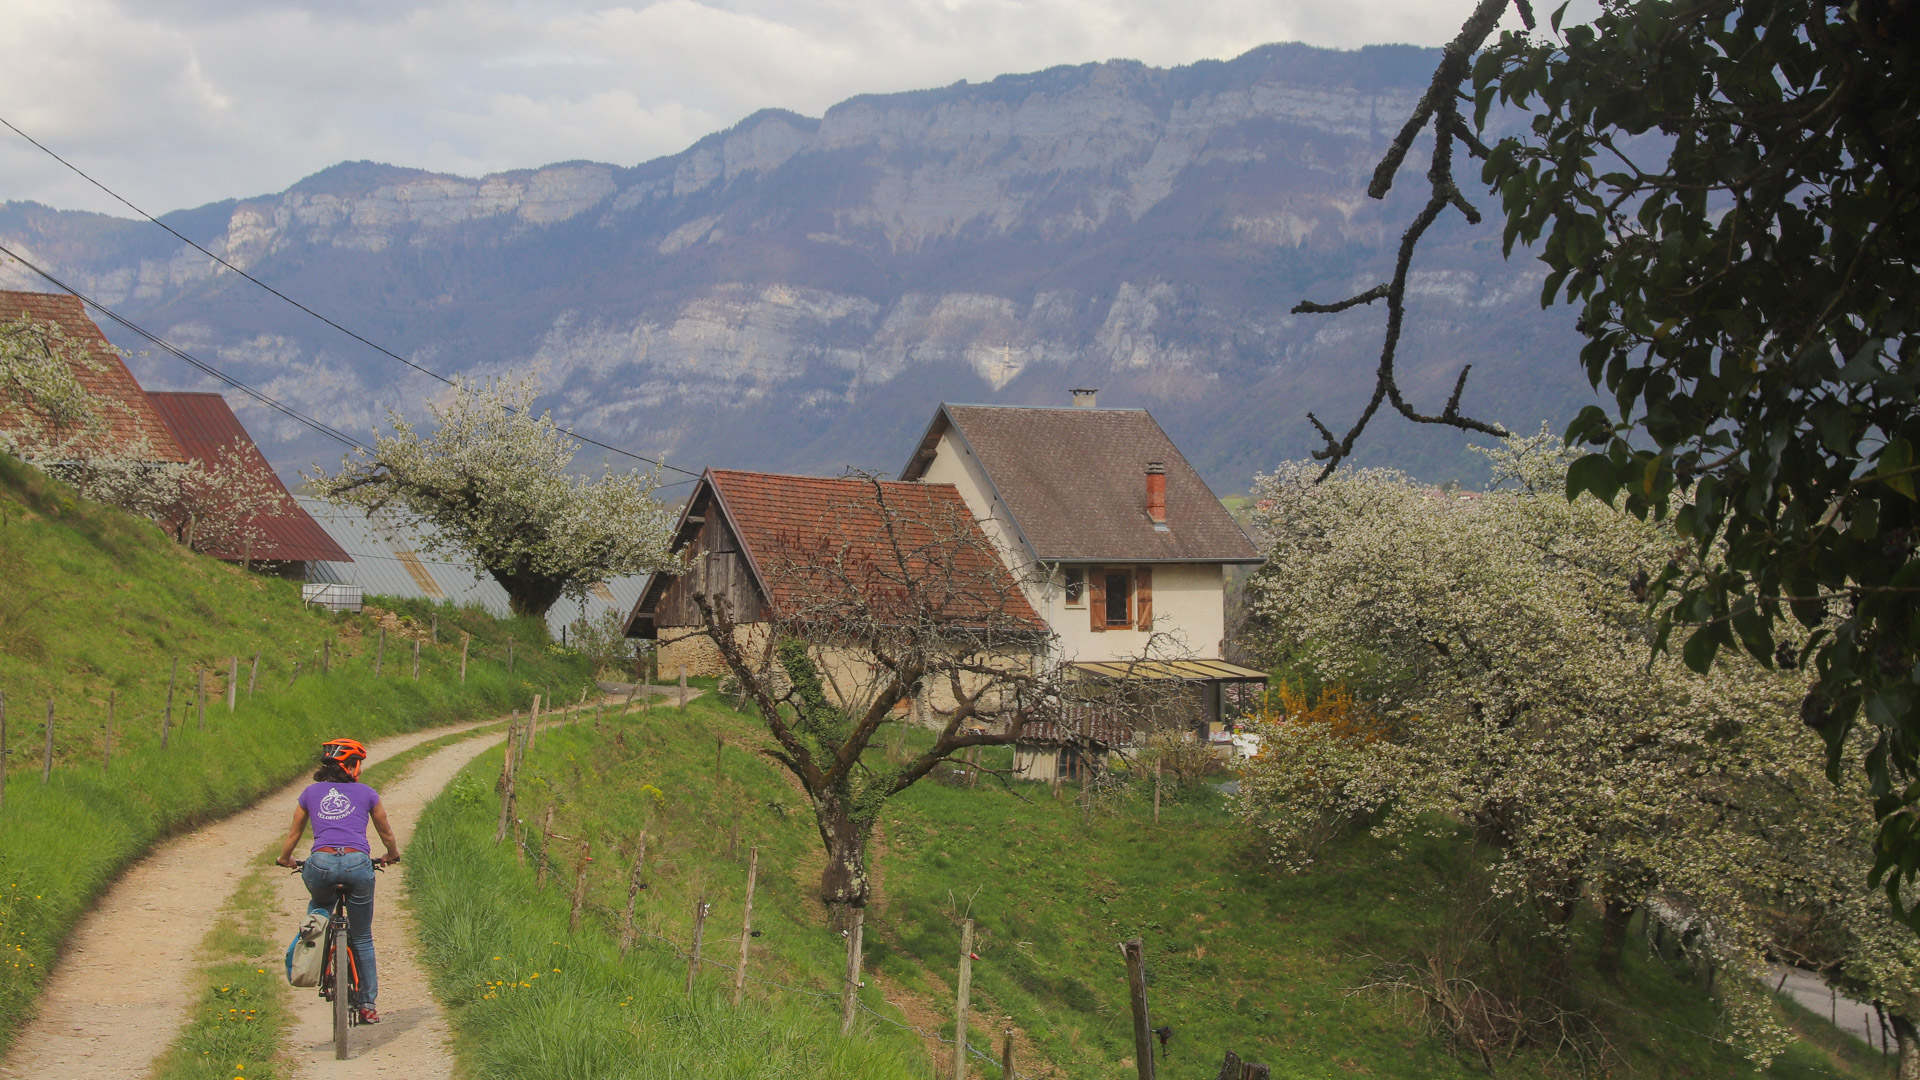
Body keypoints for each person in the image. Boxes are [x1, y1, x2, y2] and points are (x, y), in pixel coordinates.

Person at [276, 738, 399, 1024]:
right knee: (362, 937)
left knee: (319, 907)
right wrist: (391, 855)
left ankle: (314, 933)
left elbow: (294, 835)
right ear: (351, 766)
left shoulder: (309, 792)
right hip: (358, 863)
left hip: (321, 864)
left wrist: (285, 859)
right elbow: (387, 834)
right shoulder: (368, 793)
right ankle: (368, 1004)